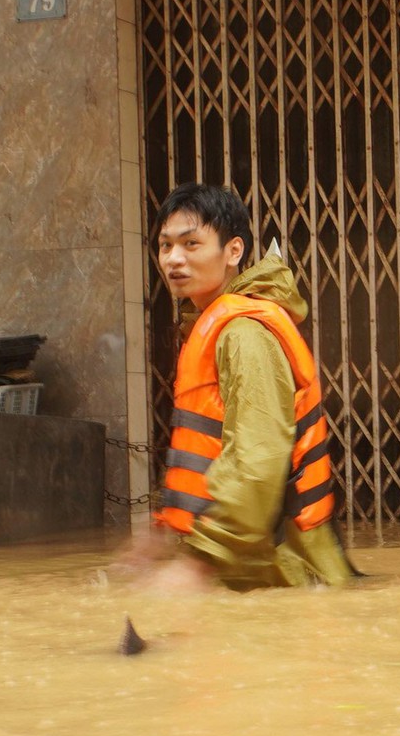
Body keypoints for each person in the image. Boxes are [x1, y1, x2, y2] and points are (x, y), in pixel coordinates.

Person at [138, 183, 354, 591]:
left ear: (233, 251)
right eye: (165, 246)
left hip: (287, 584)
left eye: (191, 244)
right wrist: (163, 536)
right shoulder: (214, 327)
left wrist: (199, 564)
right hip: (259, 578)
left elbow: (258, 462)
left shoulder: (243, 333)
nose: (173, 259)